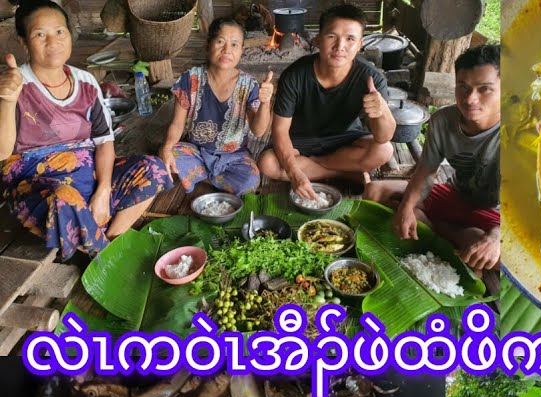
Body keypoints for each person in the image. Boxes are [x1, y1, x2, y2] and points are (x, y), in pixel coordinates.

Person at [0, 0, 170, 259]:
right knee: (64, 199)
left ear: (69, 34)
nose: (53, 41)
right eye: (39, 34)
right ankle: (104, 255)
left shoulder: (86, 82)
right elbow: (2, 153)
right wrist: (8, 100)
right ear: (24, 42)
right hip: (37, 187)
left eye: (59, 31)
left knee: (153, 169)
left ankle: (110, 238)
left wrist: (103, 190)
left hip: (88, 174)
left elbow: (103, 142)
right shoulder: (13, 84)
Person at [363, 44, 500, 279]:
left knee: (500, 257)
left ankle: (441, 231)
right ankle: (451, 235)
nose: (470, 98)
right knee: (376, 190)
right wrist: (406, 208)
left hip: (496, 215)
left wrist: (497, 237)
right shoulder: (442, 121)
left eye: (485, 89)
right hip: (455, 195)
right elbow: (425, 173)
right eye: (463, 87)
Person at [258, 3, 393, 200]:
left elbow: (384, 136)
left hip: (346, 140)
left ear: (360, 44)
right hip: (300, 142)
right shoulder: (295, 75)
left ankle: (318, 167)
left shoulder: (371, 79)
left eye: (350, 39)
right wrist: (295, 174)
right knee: (267, 163)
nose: (340, 47)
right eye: (332, 36)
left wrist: (382, 112)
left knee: (384, 150)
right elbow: (279, 131)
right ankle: (343, 173)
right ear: (319, 39)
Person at [159, 17, 271, 196]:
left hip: (234, 156)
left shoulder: (249, 85)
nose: (227, 50)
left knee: (250, 180)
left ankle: (200, 177)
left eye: (234, 45)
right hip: (196, 151)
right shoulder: (190, 79)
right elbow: (177, 124)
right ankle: (215, 178)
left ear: (242, 50)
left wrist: (265, 103)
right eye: (220, 42)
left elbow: (258, 131)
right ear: (208, 44)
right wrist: (166, 148)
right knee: (168, 156)